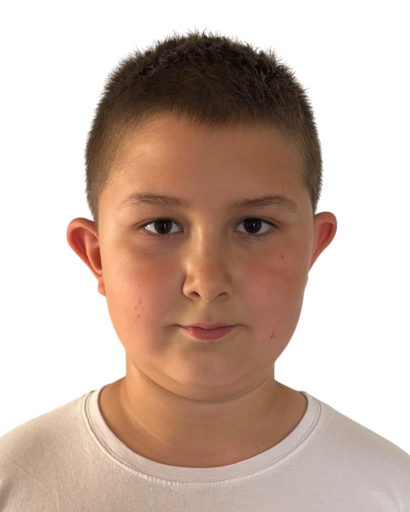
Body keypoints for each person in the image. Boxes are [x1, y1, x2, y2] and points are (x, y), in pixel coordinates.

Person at [1, 29, 409, 511]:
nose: (208, 282)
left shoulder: (392, 488)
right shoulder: (12, 480)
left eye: (254, 225)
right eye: (161, 225)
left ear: (312, 249)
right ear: (96, 256)